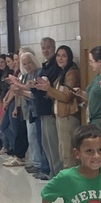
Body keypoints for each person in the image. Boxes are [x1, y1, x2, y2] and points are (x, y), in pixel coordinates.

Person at [43, 44, 80, 169]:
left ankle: (72, 183)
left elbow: (66, 97)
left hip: (68, 116)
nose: (60, 58)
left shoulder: (72, 72)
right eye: (58, 56)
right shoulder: (62, 73)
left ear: (69, 57)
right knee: (62, 150)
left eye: (64, 56)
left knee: (69, 152)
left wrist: (48, 89)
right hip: (60, 115)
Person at [32, 37, 61, 177]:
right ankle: (52, 172)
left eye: (48, 47)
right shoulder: (45, 66)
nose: (45, 50)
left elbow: (49, 88)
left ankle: (57, 175)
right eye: (43, 48)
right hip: (42, 110)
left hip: (50, 110)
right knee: (46, 145)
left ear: (54, 48)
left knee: (53, 146)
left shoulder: (55, 67)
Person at [73, 45, 101, 124]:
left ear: (99, 62)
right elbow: (92, 96)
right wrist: (81, 93)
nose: (90, 64)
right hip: (92, 118)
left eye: (91, 61)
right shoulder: (98, 76)